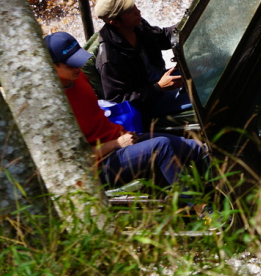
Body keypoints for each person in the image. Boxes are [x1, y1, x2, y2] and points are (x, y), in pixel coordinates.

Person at [45, 31, 208, 190]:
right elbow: (74, 159)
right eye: (70, 64)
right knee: (162, 146)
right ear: (51, 66)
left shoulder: (79, 77)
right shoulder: (54, 107)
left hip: (119, 138)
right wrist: (115, 144)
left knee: (195, 147)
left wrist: (119, 137)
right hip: (101, 163)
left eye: (78, 61)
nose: (77, 67)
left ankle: (221, 188)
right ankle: (200, 210)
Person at [93, 0, 191, 121]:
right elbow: (118, 101)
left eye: (134, 5)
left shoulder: (137, 25)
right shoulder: (111, 59)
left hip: (163, 80)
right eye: (129, 10)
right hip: (149, 103)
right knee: (202, 93)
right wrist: (158, 88)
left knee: (210, 72)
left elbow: (162, 37)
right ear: (116, 22)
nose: (137, 11)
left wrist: (187, 25)